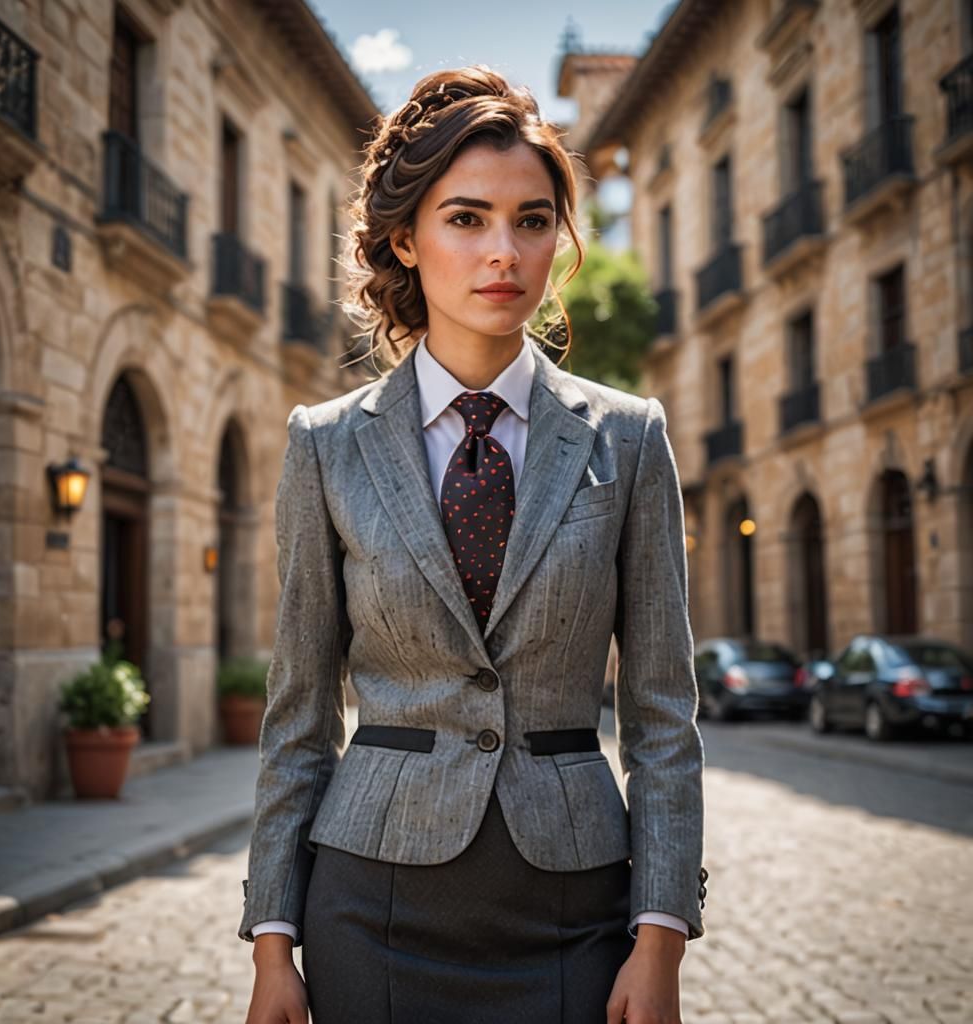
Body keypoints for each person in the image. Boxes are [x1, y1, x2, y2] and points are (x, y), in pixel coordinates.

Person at [240, 64, 708, 1024]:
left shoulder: (629, 438)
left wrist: (659, 935)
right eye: (466, 219)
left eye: (532, 220)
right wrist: (272, 943)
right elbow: (297, 714)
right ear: (406, 239)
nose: (505, 252)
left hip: (576, 906)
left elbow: (663, 716)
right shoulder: (325, 446)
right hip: (369, 903)